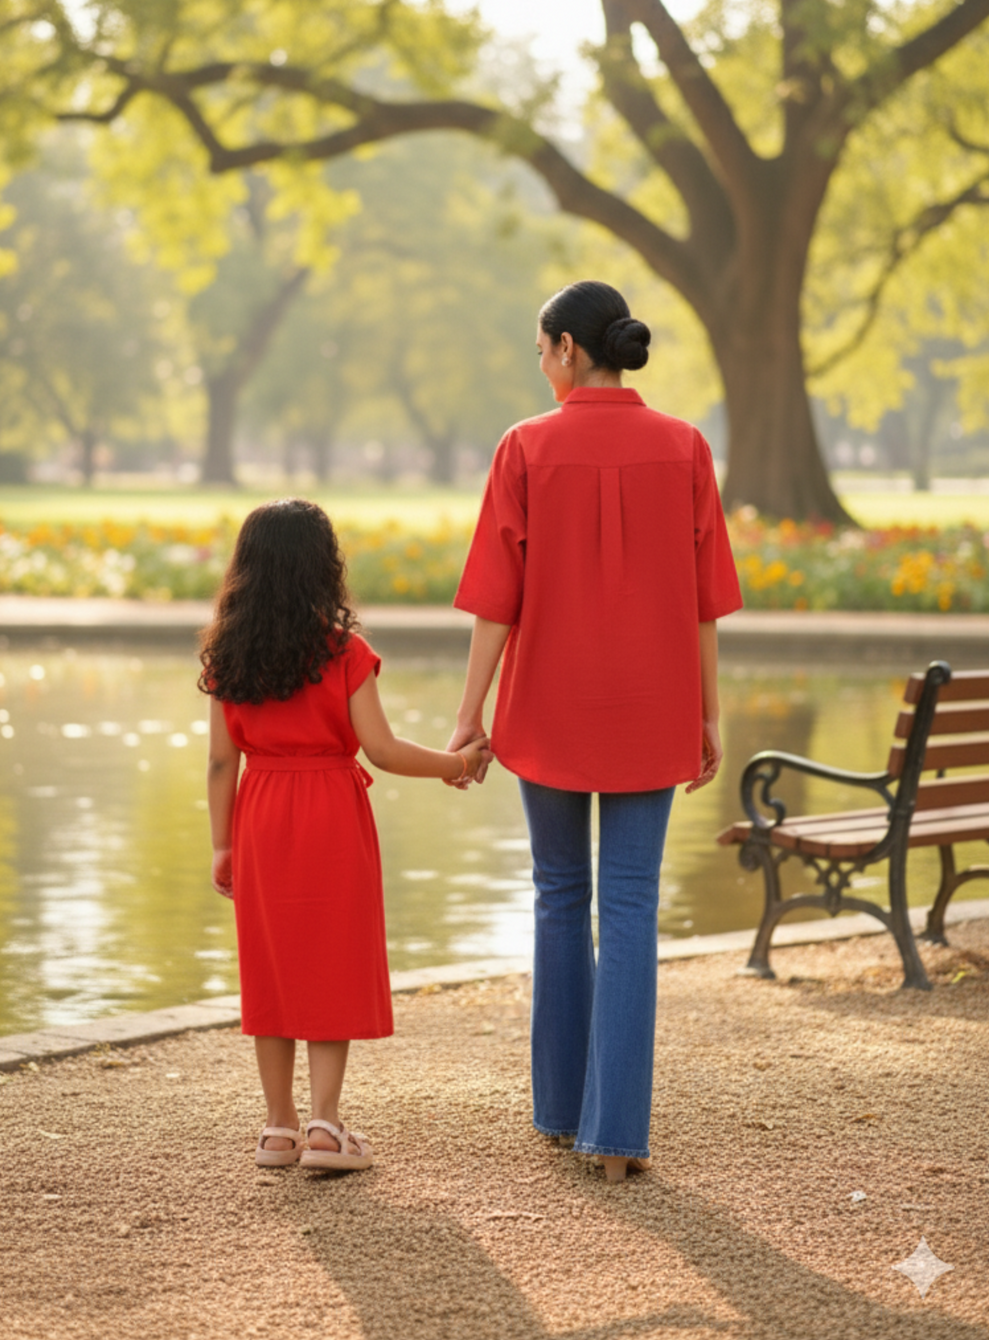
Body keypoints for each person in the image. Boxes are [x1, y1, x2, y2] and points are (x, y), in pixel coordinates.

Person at [448, 280, 742, 1182]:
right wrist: (707, 711)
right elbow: (705, 604)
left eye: (541, 351)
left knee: (559, 898)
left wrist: (468, 716)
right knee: (629, 908)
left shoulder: (526, 448)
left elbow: (495, 604)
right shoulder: (686, 447)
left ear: (569, 348)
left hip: (548, 709)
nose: (540, 368)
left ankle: (559, 1116)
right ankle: (617, 1136)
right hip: (653, 710)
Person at [200, 499, 489, 1174]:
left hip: (261, 813)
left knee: (269, 967)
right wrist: (456, 764)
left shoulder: (227, 651)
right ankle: (326, 1129)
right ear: (323, 568)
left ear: (245, 568)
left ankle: (277, 1129)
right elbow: (381, 750)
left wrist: (221, 844)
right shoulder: (343, 652)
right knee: (329, 961)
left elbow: (220, 761)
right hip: (330, 809)